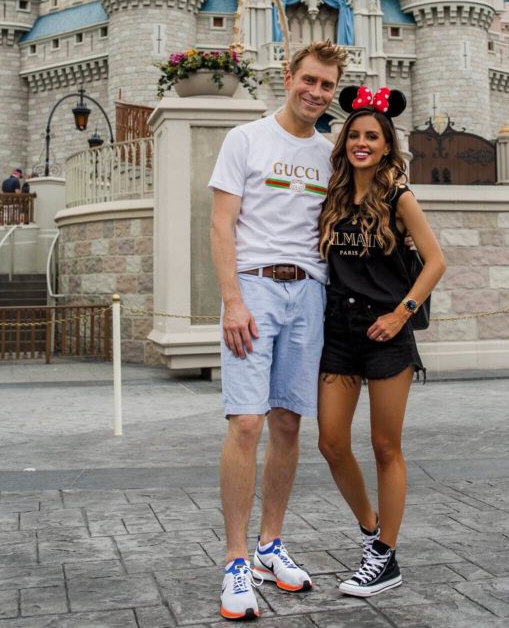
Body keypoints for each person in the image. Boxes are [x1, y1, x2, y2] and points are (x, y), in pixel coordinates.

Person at [209, 40, 347, 621]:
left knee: (288, 421)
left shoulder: (330, 152)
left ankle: (270, 545)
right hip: (256, 288)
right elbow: (220, 224)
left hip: (308, 292)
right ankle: (237, 560)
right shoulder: (246, 139)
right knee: (246, 422)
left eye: (327, 86)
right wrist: (233, 301)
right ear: (287, 76)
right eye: (308, 80)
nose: (316, 92)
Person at [317, 84, 446, 598]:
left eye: (373, 136)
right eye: (355, 135)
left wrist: (402, 314)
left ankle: (385, 557)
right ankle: (373, 535)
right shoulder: (331, 194)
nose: (363, 142)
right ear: (344, 141)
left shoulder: (399, 195)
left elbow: (436, 262)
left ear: (388, 146)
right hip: (340, 331)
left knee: (385, 446)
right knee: (330, 442)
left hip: (385, 334)